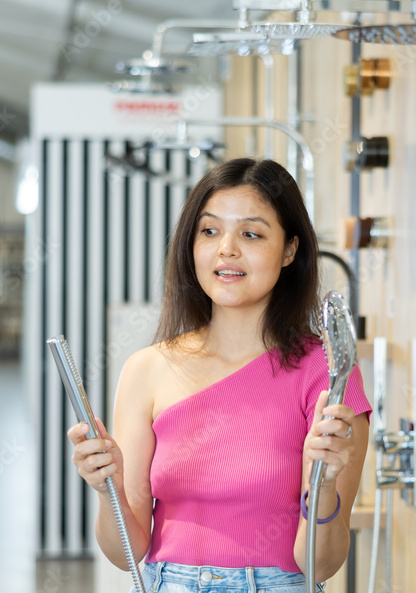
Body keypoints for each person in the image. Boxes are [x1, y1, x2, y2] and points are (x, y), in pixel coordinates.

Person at [70, 157, 371, 592]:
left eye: (251, 233)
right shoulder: (147, 369)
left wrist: (321, 488)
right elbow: (126, 553)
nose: (226, 249)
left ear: (290, 250)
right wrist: (107, 489)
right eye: (210, 231)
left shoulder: (328, 373)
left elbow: (319, 565)